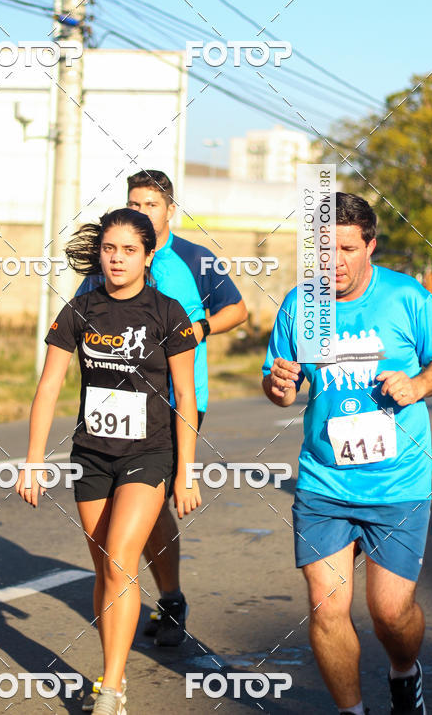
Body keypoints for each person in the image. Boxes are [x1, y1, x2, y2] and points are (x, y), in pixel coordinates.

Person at [17, 208, 201, 715]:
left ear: (148, 255)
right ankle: (111, 665)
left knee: (120, 558)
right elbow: (49, 384)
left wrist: (186, 471)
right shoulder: (80, 309)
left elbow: (185, 396)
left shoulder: (168, 314)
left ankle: (111, 690)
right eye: (109, 249)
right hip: (92, 455)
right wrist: (33, 461)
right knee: (105, 568)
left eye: (128, 250)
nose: (117, 259)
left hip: (150, 452)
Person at [262, 192, 432, 715]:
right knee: (327, 606)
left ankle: (405, 671)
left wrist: (419, 384)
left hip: (397, 482)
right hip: (325, 482)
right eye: (322, 249)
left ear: (370, 247)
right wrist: (279, 384)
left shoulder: (408, 299)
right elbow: (280, 387)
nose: (332, 262)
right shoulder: (302, 304)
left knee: (389, 612)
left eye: (345, 248)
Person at [77, 169, 247, 650]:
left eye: (151, 204)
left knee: (151, 503)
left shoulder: (195, 259)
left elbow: (238, 311)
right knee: (143, 508)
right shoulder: (114, 258)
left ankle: (168, 597)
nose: (142, 211)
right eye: (134, 202)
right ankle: (167, 596)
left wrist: (199, 330)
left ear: (170, 209)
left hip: (177, 402)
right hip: (115, 407)